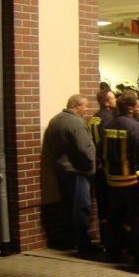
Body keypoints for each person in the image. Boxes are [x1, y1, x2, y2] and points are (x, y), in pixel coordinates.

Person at [43, 94, 97, 254]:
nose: (87, 109)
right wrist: (90, 165)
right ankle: (83, 244)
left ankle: (70, 240)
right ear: (76, 106)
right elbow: (83, 149)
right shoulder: (76, 123)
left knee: (68, 206)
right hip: (78, 171)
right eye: (85, 106)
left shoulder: (55, 120)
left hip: (62, 169)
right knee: (81, 207)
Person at [103, 92, 139, 265]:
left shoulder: (108, 125)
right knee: (138, 219)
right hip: (131, 181)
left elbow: (101, 150)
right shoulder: (135, 128)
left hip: (112, 181)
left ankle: (113, 252)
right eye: (137, 105)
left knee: (115, 218)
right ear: (130, 108)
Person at [87, 88, 116, 242]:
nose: (116, 100)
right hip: (106, 168)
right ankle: (111, 240)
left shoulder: (93, 118)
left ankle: (104, 238)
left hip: (96, 167)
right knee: (111, 205)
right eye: (113, 98)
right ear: (106, 102)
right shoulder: (109, 120)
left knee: (102, 205)